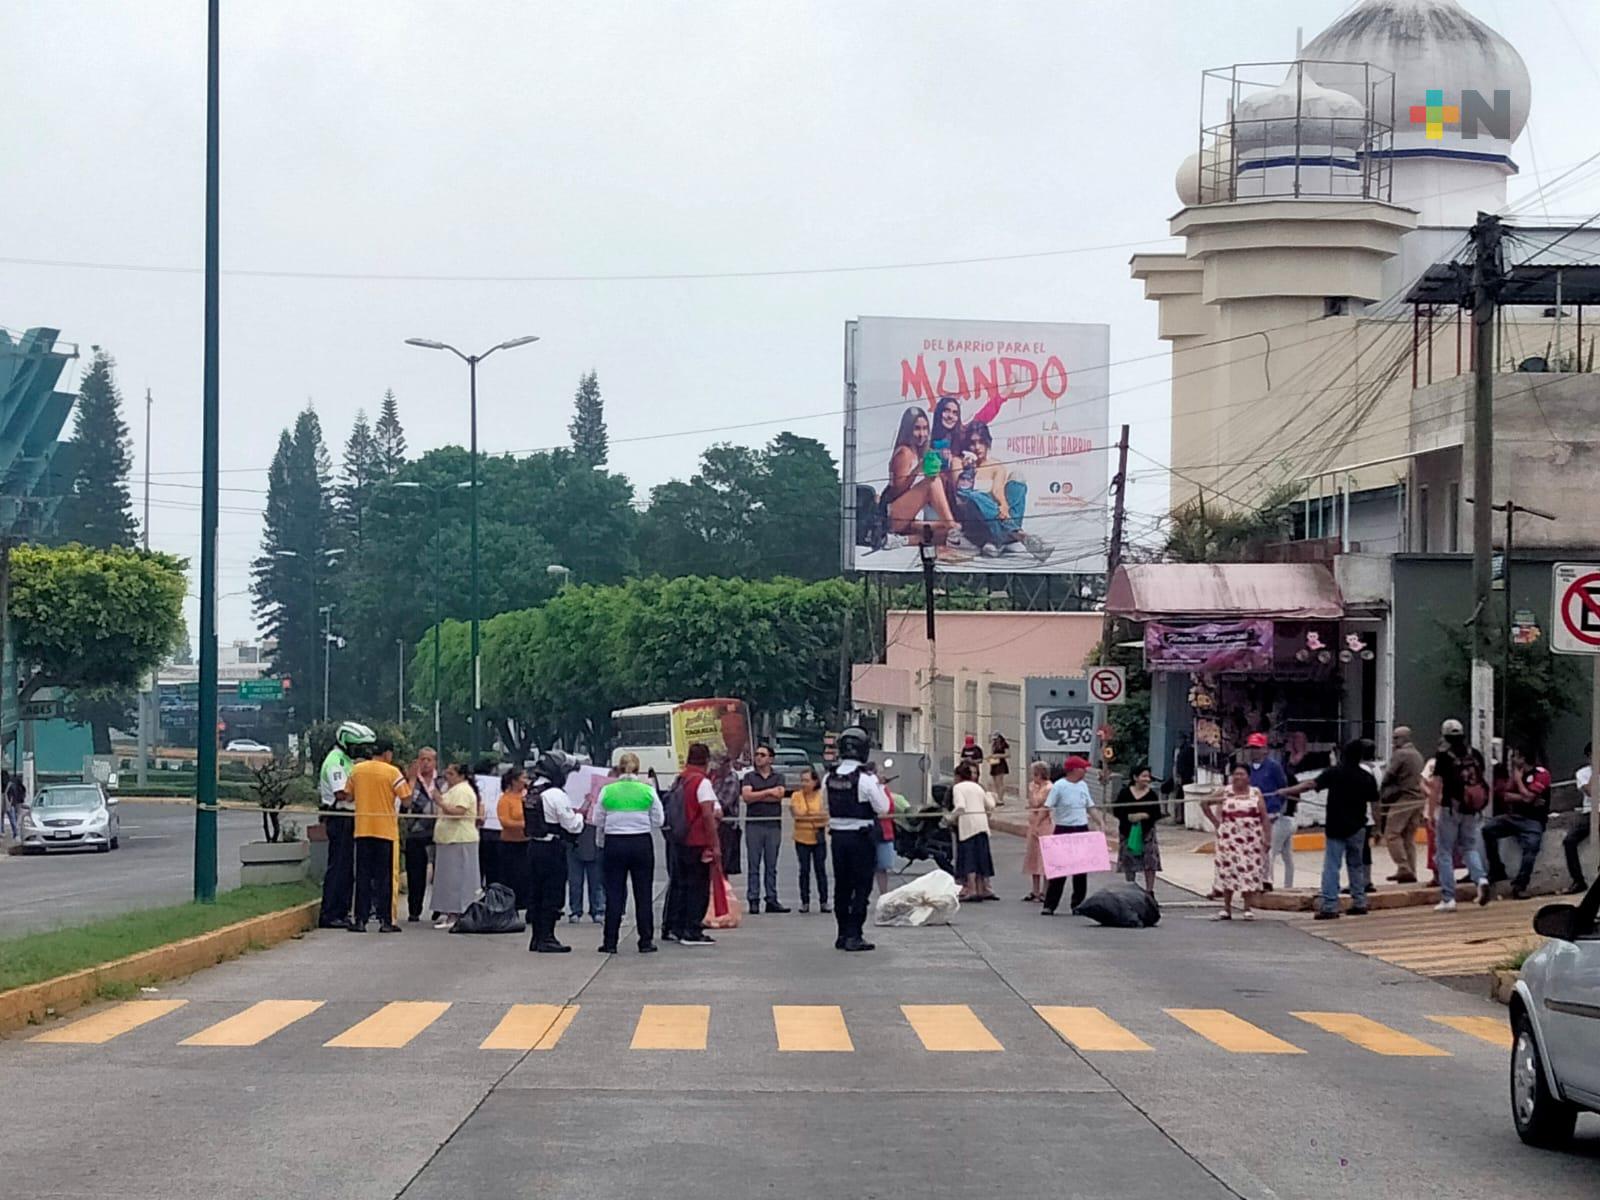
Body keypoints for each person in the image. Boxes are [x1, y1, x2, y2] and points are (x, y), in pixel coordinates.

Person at [1282, 740, 1377, 920]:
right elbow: (1375, 801)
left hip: (1336, 826)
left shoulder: (1334, 772)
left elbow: (1310, 784)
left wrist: (1286, 791)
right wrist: (1379, 826)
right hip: (1358, 826)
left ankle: (1330, 906)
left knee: (1332, 866)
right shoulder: (1366, 776)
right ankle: (1359, 902)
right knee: (1356, 865)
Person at [824, 725, 893, 951]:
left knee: (841, 887)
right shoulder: (865, 779)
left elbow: (826, 806)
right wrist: (881, 786)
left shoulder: (830, 777)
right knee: (861, 888)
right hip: (861, 838)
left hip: (838, 839)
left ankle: (842, 934)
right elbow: (882, 808)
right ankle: (855, 934)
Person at [950, 421, 1050, 560]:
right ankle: (1020, 536)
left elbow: (998, 492)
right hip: (976, 524)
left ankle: (998, 540)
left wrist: (1003, 506)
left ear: (988, 443)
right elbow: (960, 498)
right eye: (972, 443)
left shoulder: (997, 466)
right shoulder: (958, 462)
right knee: (972, 496)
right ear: (967, 445)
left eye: (981, 442)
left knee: (1017, 478)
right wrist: (969, 470)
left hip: (996, 519)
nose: (977, 447)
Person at [597, 752, 663, 954]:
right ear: (638, 769)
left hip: (615, 842)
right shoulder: (647, 790)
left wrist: (603, 839)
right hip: (640, 842)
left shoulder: (607, 790)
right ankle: (645, 941)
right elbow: (659, 819)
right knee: (643, 894)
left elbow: (597, 819)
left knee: (614, 894)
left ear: (618, 768)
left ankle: (610, 942)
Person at [347, 737, 411, 934]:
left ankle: (360, 919)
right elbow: (407, 800)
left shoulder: (357, 770)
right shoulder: (392, 772)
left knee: (363, 876)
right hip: (385, 832)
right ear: (388, 753)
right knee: (386, 878)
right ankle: (386, 920)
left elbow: (348, 795)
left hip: (362, 829)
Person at [1429, 717, 1492, 913]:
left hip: (1451, 807)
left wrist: (1431, 812)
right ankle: (1480, 878)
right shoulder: (1474, 753)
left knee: (1444, 852)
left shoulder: (1443, 756)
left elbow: (1436, 785)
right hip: (1471, 808)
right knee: (1469, 847)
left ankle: (1448, 898)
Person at [525, 751, 584, 953]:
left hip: (533, 846)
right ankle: (547, 937)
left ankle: (537, 937)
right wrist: (581, 816)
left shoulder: (533, 790)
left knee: (537, 893)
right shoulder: (556, 794)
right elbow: (572, 826)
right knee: (552, 893)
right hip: (551, 848)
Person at [663, 742, 721, 946]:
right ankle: (692, 929)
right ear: (706, 760)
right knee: (699, 887)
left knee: (680, 884)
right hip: (697, 840)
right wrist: (715, 845)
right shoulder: (701, 782)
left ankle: (674, 927)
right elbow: (707, 814)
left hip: (679, 838)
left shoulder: (681, 778)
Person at [317, 721, 373, 930]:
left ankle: (342, 911)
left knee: (348, 867)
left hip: (350, 817)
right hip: (339, 816)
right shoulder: (336, 761)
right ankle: (330, 913)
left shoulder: (348, 761)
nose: (360, 751)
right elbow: (342, 793)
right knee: (339, 867)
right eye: (357, 746)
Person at [882, 405, 961, 549]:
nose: (922, 434)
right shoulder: (904, 453)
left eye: (925, 429)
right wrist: (919, 469)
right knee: (932, 482)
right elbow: (896, 490)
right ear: (908, 430)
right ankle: (952, 527)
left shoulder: (921, 452)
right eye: (917, 429)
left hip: (911, 520)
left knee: (945, 533)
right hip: (893, 515)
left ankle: (900, 541)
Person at [1201, 763, 1269, 921]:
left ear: (1248, 777)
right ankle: (1227, 908)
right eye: (1236, 774)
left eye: (1242, 774)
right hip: (1229, 839)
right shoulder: (1225, 792)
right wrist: (1216, 823)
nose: (1239, 777)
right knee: (1228, 871)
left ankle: (1247, 907)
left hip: (1251, 840)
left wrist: (1267, 838)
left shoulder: (1255, 793)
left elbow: (1264, 817)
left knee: (1249, 872)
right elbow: (1204, 803)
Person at [1483, 745, 1552, 901]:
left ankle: (1520, 885)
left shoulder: (1541, 774)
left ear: (1523, 758)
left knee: (1531, 848)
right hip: (1514, 817)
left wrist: (1519, 782)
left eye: (1515, 756)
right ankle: (1497, 868)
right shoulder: (1516, 773)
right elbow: (1506, 795)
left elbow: (1528, 797)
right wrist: (1525, 796)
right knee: (1488, 830)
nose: (1513, 760)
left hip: (1533, 821)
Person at [1042, 756, 1100, 915]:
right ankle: (1050, 904)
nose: (1085, 771)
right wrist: (1038, 825)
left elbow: (1090, 806)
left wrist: (1100, 823)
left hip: (1081, 828)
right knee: (1059, 870)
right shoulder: (1059, 786)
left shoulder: (1083, 786)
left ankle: (1078, 904)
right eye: (1083, 768)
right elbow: (1047, 807)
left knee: (1081, 871)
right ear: (1074, 770)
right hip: (1063, 828)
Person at [431, 763, 481, 927]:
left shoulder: (463, 790)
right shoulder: (451, 789)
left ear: (461, 776)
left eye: (451, 774)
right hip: (449, 839)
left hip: (460, 839)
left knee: (458, 879)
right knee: (448, 879)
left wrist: (440, 802)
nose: (447, 777)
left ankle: (457, 913)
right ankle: (449, 911)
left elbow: (458, 812)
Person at [742, 744, 790, 913]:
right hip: (754, 824)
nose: (758, 757)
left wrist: (759, 794)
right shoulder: (749, 777)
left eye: (762, 754)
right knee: (753, 864)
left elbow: (779, 796)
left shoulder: (779, 777)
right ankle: (753, 899)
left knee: (771, 865)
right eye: (757, 754)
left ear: (770, 758)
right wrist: (768, 792)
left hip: (773, 825)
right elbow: (747, 797)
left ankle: (771, 899)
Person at [1245, 733, 1293, 889]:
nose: (1254, 751)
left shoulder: (1273, 767)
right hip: (1252, 813)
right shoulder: (1247, 768)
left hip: (1271, 814)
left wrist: (1276, 805)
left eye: (1257, 748)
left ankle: (1268, 881)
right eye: (1252, 748)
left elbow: (1283, 787)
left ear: (1265, 749)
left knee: (1268, 849)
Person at [1379, 726, 1427, 884]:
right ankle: (1411, 871)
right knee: (1408, 837)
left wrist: (1382, 791)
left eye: (1395, 738)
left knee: (1392, 834)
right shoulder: (1417, 754)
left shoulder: (1400, 754)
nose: (1393, 741)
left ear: (1403, 738)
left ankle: (1403, 867)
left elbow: (1389, 776)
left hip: (1404, 799)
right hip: (1418, 800)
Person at [400, 747, 440, 923]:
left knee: (441, 871)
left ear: (435, 762)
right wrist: (411, 779)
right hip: (415, 832)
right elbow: (404, 803)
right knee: (415, 872)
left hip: (439, 831)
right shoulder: (411, 781)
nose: (425, 763)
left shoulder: (443, 780)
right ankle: (414, 909)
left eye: (429, 759)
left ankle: (439, 908)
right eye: (422, 759)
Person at [948, 760, 997, 901]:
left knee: (969, 859)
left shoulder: (957, 788)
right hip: (982, 825)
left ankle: (972, 889)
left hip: (967, 826)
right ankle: (982, 889)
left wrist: (950, 819)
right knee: (981, 857)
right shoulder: (978, 787)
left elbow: (960, 807)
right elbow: (990, 805)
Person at [1115, 764, 1162, 896]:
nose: (1147, 779)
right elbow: (1117, 810)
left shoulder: (1152, 795)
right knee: (1129, 861)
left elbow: (1157, 813)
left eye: (1148, 776)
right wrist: (1129, 817)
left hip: (1147, 833)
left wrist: (1145, 816)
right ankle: (1131, 890)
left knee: (1149, 861)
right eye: (1144, 776)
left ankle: (1149, 891)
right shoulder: (1125, 793)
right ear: (1135, 777)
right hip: (1127, 831)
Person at [790, 766, 829, 914]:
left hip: (818, 838)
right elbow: (797, 814)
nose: (804, 784)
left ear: (815, 781)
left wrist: (809, 815)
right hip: (801, 838)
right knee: (804, 870)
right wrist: (814, 815)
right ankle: (804, 901)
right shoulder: (796, 796)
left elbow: (825, 816)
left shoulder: (821, 796)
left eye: (807, 780)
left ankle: (824, 901)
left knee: (821, 870)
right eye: (802, 781)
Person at [566, 777, 605, 926]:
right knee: (575, 881)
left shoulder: (599, 801)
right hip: (575, 843)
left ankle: (598, 910)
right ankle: (576, 910)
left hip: (593, 843)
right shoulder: (568, 799)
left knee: (596, 881)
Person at [497, 767, 532, 912]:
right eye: (523, 778)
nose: (526, 781)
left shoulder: (528, 796)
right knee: (512, 877)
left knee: (528, 877)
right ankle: (511, 908)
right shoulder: (505, 799)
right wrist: (526, 824)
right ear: (514, 781)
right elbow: (505, 822)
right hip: (510, 844)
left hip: (527, 843)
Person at [1022, 762, 1052, 901]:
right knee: (1033, 857)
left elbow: (1036, 803)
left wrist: (1034, 793)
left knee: (1045, 858)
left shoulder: (1049, 788)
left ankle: (1046, 891)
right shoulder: (1032, 786)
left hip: (1046, 825)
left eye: (1035, 774)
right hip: (1033, 822)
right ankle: (1035, 890)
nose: (1033, 778)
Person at [1565, 744, 1593, 894]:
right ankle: (1578, 880)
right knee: (1569, 841)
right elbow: (1590, 792)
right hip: (1590, 812)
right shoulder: (1583, 773)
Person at [713, 753, 743, 881]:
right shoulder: (714, 778)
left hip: (726, 825)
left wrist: (708, 802)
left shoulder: (731, 777)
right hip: (712, 824)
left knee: (723, 863)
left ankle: (723, 894)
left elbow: (724, 801)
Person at [1, 768, 23, 840]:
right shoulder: (11, 784)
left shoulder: (8, 785)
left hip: (8, 802)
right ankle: (15, 833)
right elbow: (13, 795)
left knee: (5, 817)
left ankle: (3, 831)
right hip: (10, 803)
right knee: (12, 818)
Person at [988, 732, 1011, 802]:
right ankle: (998, 796)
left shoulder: (1004, 745)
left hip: (1001, 764)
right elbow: (992, 753)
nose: (995, 740)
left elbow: (1008, 754)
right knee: (995, 782)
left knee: (1000, 781)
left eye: (996, 739)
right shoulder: (994, 744)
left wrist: (998, 755)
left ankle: (1001, 798)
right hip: (994, 763)